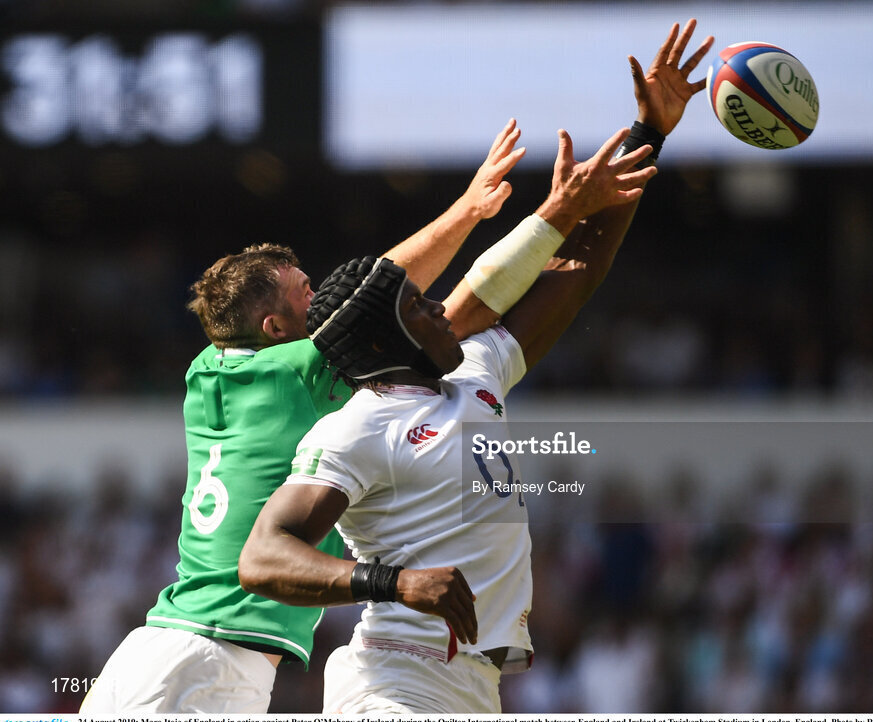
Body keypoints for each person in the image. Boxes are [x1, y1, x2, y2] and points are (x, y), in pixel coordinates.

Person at [238, 20, 713, 714]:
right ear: (385, 343)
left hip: (472, 686)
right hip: (394, 681)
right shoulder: (356, 428)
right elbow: (262, 557)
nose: (441, 308)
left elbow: (577, 272)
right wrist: (393, 583)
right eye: (417, 306)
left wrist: (649, 133)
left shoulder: (475, 372)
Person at [80, 120, 530, 714]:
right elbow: (374, 298)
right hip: (206, 662)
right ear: (273, 328)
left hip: (167, 652)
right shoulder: (290, 374)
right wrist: (469, 210)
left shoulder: (207, 368)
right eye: (306, 294)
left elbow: (389, 312)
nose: (322, 301)